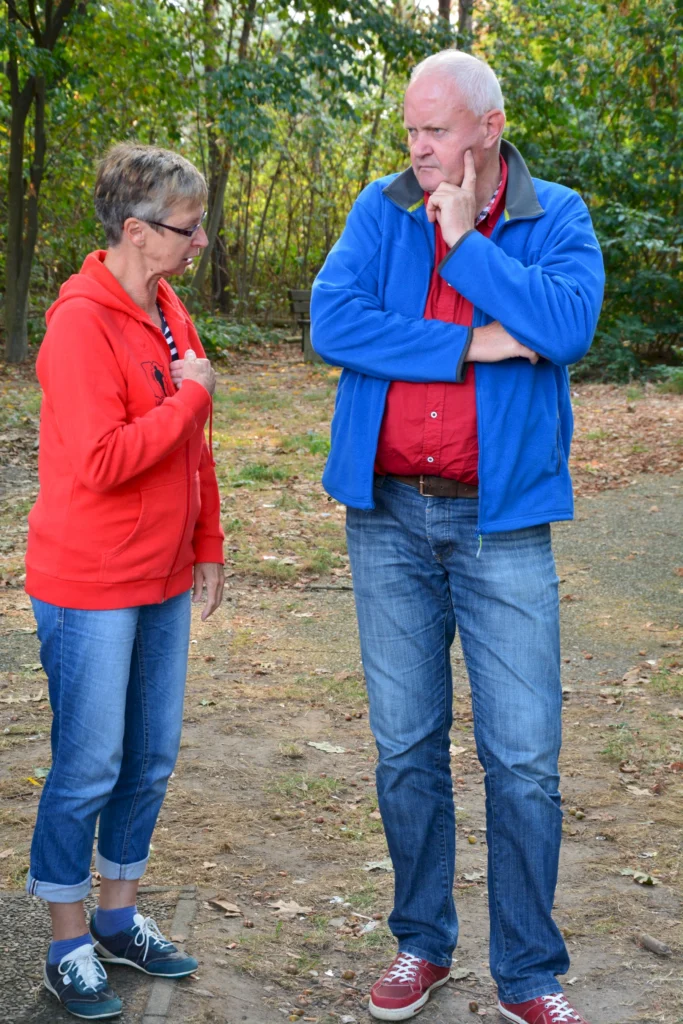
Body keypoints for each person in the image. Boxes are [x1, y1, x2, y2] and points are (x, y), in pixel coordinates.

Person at [311, 50, 604, 1024]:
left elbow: (562, 325)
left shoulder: (550, 215)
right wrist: (470, 344)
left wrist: (465, 248)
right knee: (404, 747)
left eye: (434, 130)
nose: (419, 147)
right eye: (409, 131)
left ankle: (525, 969)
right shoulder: (377, 209)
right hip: (386, 517)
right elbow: (332, 320)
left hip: (500, 524)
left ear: (488, 126)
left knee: (522, 758)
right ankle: (419, 942)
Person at [24, 143, 225, 1019]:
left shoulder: (168, 306)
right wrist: (191, 400)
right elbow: (105, 461)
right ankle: (66, 940)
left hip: (161, 574)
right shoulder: (79, 324)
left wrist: (208, 540)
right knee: (89, 765)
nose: (202, 241)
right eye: (189, 228)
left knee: (148, 759)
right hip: (89, 580)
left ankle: (116, 917)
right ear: (137, 232)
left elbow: (191, 446)